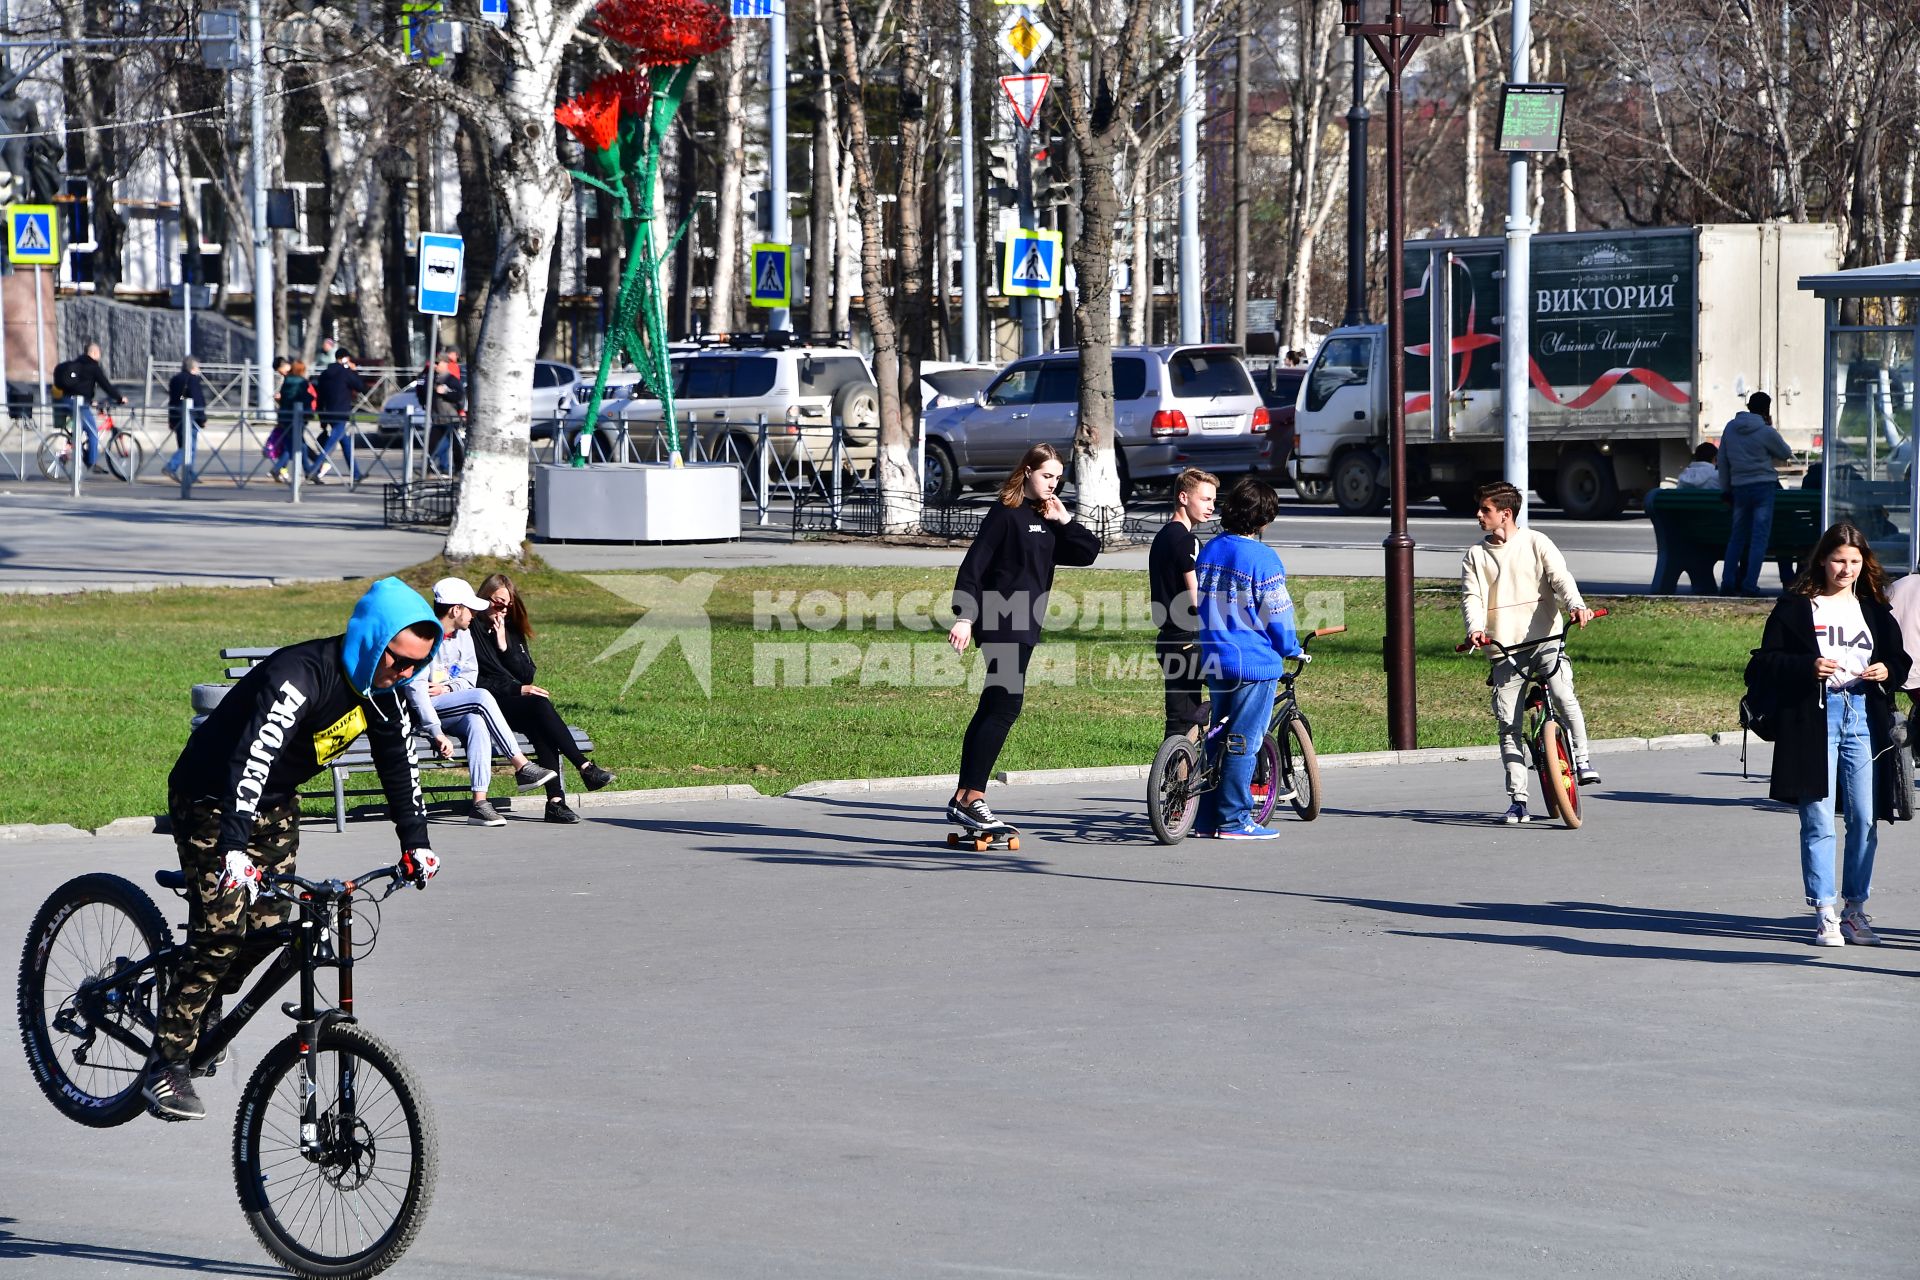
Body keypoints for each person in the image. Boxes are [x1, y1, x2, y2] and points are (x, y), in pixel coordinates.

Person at [145, 577, 444, 1121]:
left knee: (266, 930)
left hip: (275, 803)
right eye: (396, 661)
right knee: (220, 936)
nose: (404, 674)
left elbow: (399, 767)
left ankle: (201, 1000)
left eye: (414, 666)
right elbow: (250, 760)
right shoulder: (299, 676)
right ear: (371, 640)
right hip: (213, 797)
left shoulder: (383, 695)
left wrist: (416, 843)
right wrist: (233, 847)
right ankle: (166, 1063)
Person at [1750, 522, 1910, 947]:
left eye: (1855, 562)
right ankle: (1825, 912)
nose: (1846, 569)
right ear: (1822, 559)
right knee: (1818, 818)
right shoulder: (1798, 606)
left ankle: (1855, 910)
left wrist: (1887, 670)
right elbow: (1765, 661)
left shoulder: (1873, 607)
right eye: (1839, 560)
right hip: (1814, 716)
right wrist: (1808, 667)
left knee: (1864, 818)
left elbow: (1900, 658)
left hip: (1862, 714)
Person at [944, 442, 1101, 835]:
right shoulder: (1005, 514)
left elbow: (1088, 553)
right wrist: (965, 617)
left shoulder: (1044, 515)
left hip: (1025, 625)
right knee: (1004, 707)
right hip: (1001, 622)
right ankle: (972, 798)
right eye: (1047, 475)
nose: (1053, 483)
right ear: (1027, 471)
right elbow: (974, 568)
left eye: (1058, 478)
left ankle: (965, 796)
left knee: (993, 706)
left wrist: (1064, 520)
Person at [1461, 480, 1600, 824]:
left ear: (1505, 514)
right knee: (1508, 725)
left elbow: (1561, 578)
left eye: (1486, 510)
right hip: (1504, 650)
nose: (1479, 515)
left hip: (1545, 641)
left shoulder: (1537, 542)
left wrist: (1576, 606)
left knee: (1563, 694)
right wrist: (1475, 629)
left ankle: (1582, 760)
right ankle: (1518, 800)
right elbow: (1472, 598)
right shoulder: (1476, 556)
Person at [1191, 476, 1303, 840]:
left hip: (1216, 656)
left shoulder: (1210, 549)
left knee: (1217, 738)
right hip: (1253, 663)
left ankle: (1205, 817)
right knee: (1243, 740)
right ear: (1263, 520)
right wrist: (1291, 647)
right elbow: (1278, 613)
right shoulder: (1263, 557)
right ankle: (1235, 820)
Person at [404, 576, 560, 826]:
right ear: (455, 609)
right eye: (470, 609)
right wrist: (436, 732)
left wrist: (447, 687)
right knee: (481, 697)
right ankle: (521, 765)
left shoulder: (463, 635)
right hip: (423, 713)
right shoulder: (425, 637)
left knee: (476, 722)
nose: (475, 614)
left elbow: (469, 677)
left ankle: (479, 803)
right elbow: (417, 692)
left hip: (452, 703)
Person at [473, 572, 615, 823]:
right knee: (539, 705)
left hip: (513, 703)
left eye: (509, 603)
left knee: (542, 727)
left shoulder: (510, 629)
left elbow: (527, 673)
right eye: (498, 602)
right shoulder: (471, 628)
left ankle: (556, 802)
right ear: (484, 598)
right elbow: (475, 680)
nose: (503, 608)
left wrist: (504, 644)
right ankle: (584, 768)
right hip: (486, 703)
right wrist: (517, 690)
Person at [1150, 467, 1219, 739]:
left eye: (1213, 500)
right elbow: (1196, 597)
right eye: (1204, 499)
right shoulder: (1186, 539)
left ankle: (1173, 779)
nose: (1211, 506)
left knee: (1179, 723)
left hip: (1168, 640)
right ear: (1183, 497)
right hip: (1190, 641)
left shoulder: (1163, 536)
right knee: (1238, 684)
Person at [1717, 391, 1792, 596]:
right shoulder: (1765, 431)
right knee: (1759, 538)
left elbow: (1722, 461)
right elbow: (1786, 453)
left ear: (1748, 406)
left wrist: (1725, 490)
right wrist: (1770, 426)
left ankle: (1727, 582)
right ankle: (1750, 584)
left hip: (1739, 487)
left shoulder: (1730, 428)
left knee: (1737, 537)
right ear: (1767, 409)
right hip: (1764, 487)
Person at [50, 341, 126, 470]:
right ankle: (91, 463)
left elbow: (80, 387)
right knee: (92, 432)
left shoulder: (77, 364)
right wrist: (119, 398)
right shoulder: (92, 367)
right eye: (99, 353)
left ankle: (72, 449)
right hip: (78, 404)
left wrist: (90, 401)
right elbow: (106, 385)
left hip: (65, 401)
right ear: (94, 353)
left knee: (80, 430)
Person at [309, 349, 369, 484]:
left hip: (328, 412)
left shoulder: (325, 373)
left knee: (345, 443)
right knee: (330, 444)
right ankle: (313, 470)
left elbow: (320, 396)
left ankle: (356, 473)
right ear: (344, 358)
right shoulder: (345, 373)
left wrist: (322, 419)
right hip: (341, 413)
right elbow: (361, 387)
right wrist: (354, 371)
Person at [163, 356, 208, 480]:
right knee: (189, 446)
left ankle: (189, 473)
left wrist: (170, 419)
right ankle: (171, 467)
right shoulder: (193, 380)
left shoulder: (175, 379)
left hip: (176, 415)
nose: (199, 369)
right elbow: (197, 399)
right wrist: (202, 417)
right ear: (193, 368)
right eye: (198, 367)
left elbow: (172, 400)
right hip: (189, 416)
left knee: (184, 445)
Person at [420, 353, 466, 473]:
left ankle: (460, 468)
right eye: (434, 363)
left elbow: (459, 395)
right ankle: (426, 469)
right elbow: (423, 393)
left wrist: (445, 392)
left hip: (451, 418)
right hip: (437, 419)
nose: (434, 365)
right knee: (430, 445)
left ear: (445, 364)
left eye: (437, 363)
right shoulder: (431, 378)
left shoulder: (451, 379)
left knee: (456, 445)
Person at [271, 359, 311, 481]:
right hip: (296, 416)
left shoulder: (287, 380)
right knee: (296, 446)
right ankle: (278, 468)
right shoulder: (302, 382)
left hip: (284, 416)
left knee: (296, 445)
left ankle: (309, 471)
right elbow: (303, 398)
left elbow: (284, 399)